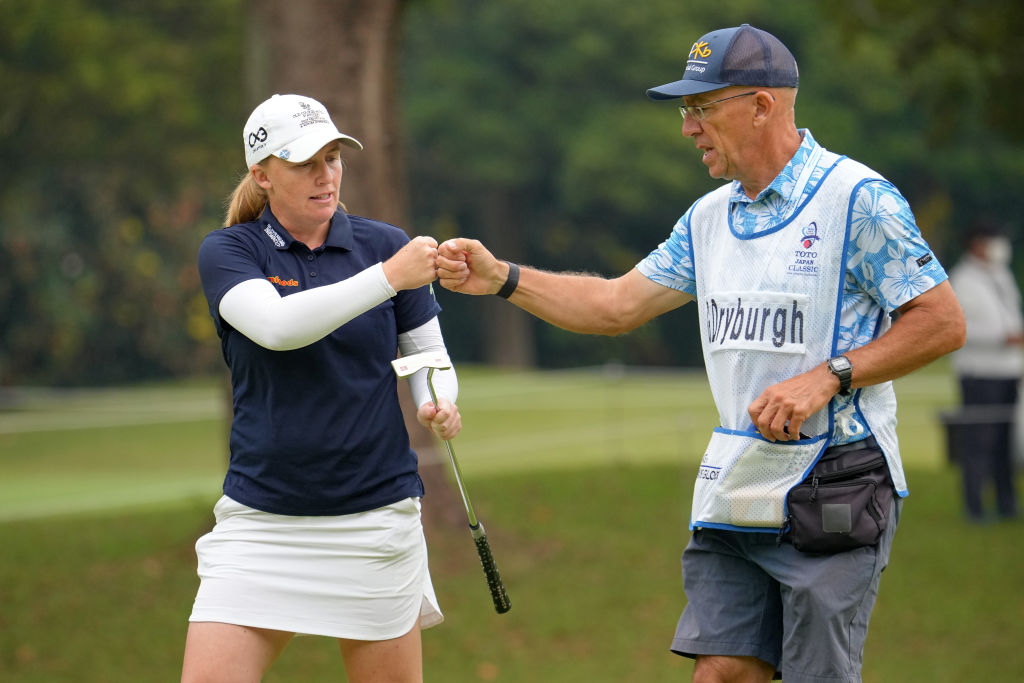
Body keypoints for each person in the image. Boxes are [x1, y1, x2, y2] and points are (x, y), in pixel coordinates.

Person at [438, 24, 964, 683]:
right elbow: (616, 305)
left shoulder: (858, 200)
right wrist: (502, 278)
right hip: (740, 480)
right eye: (687, 110)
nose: (688, 127)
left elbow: (941, 321)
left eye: (702, 108)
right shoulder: (709, 218)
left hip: (840, 483)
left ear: (762, 105)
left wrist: (829, 377)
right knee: (720, 671)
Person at [183, 93, 458, 683]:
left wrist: (438, 399)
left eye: (333, 158)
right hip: (261, 522)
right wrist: (388, 278)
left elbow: (427, 354)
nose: (325, 174)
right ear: (262, 174)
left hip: (374, 518)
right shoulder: (231, 251)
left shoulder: (385, 243)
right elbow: (279, 328)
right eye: (305, 161)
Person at [948, 218, 1022, 522]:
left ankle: (1007, 503)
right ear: (977, 243)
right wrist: (1001, 338)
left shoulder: (1000, 275)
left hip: (1008, 371)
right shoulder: (962, 279)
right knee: (979, 443)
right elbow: (958, 329)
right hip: (980, 372)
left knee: (1006, 442)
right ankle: (975, 506)